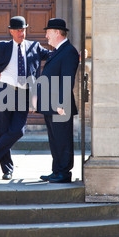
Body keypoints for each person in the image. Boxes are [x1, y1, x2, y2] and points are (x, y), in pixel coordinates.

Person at [0, 16, 50, 180]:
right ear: (11, 31)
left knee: (18, 130)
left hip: (24, 93)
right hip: (4, 92)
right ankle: (7, 170)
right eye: (18, 30)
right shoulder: (2, 46)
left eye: (23, 29)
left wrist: (74, 55)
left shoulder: (34, 46)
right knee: (2, 131)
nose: (21, 33)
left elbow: (52, 55)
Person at [37, 18, 79, 183]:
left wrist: (61, 104)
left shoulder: (68, 51)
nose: (46, 36)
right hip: (50, 104)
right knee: (55, 139)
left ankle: (64, 173)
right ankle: (57, 171)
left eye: (47, 32)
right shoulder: (59, 50)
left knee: (62, 139)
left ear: (56, 32)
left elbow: (67, 79)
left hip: (60, 105)